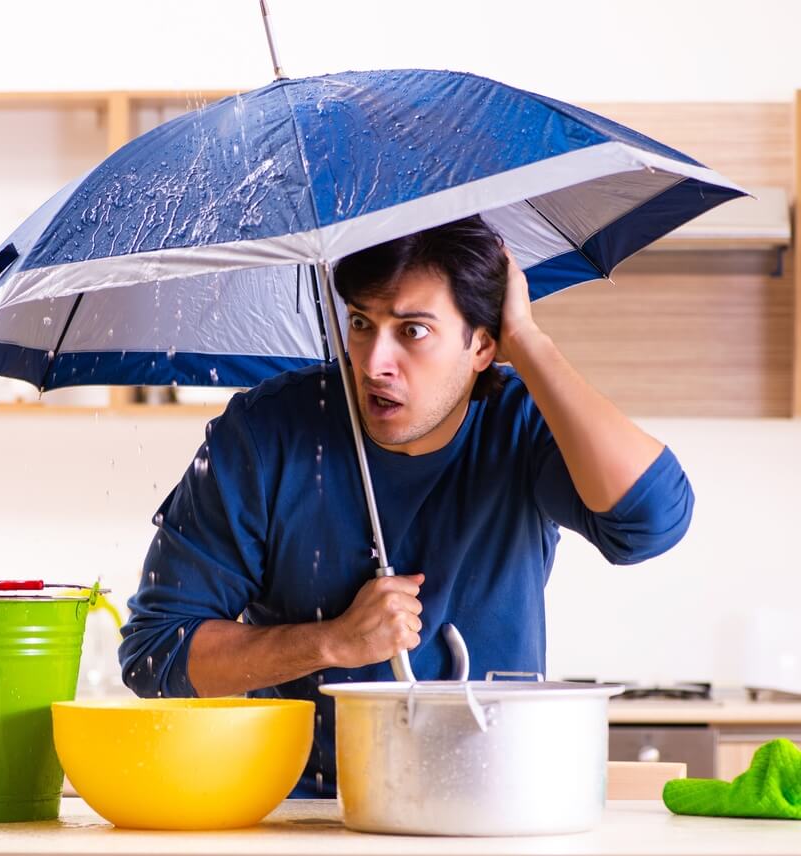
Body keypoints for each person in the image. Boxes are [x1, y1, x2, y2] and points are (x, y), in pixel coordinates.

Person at [119, 215, 694, 797]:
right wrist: (332, 642)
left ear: (482, 344)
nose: (373, 364)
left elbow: (649, 525)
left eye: (413, 331)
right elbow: (155, 653)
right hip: (308, 818)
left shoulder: (523, 423)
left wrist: (530, 341)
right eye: (362, 323)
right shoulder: (262, 435)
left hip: (495, 803)